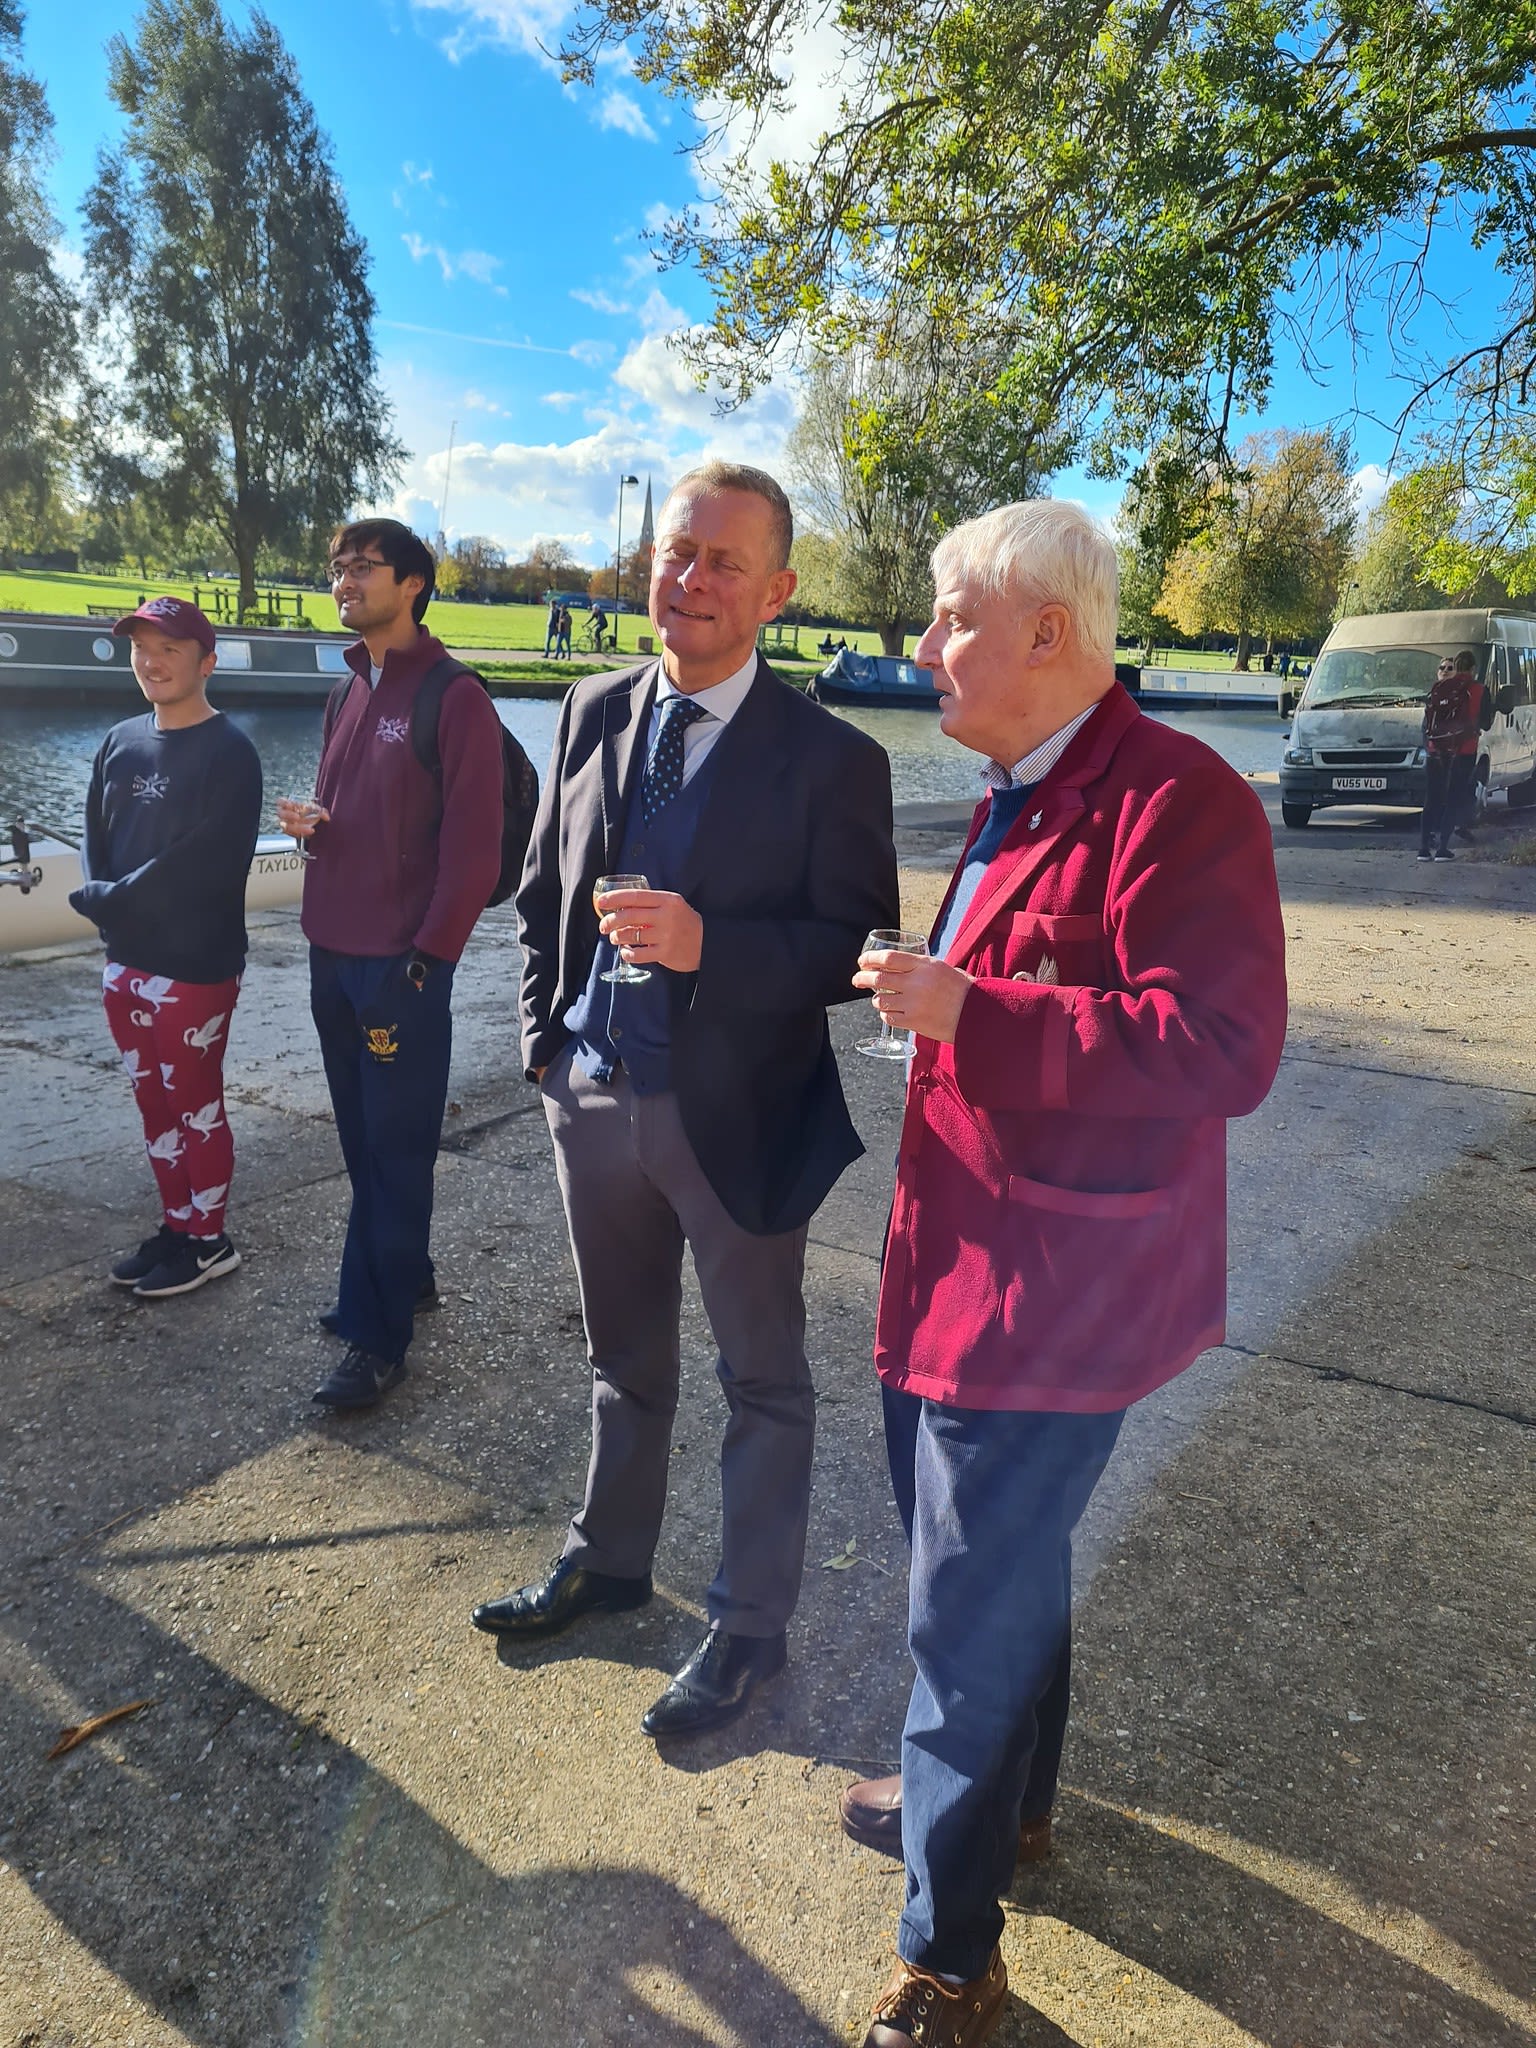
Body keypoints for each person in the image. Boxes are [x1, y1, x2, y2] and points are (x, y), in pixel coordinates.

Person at [842, 501, 1287, 2047]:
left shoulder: (1181, 797)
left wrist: (976, 1012)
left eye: (951, 616)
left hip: (1053, 1297)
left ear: (1051, 631)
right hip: (951, 1258)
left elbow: (1226, 1050)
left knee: (962, 1609)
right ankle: (1006, 1801)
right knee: (984, 1573)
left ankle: (949, 1958)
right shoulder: (1012, 788)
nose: (922, 646)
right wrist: (944, 999)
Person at [471, 460, 899, 1738]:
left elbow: (854, 947)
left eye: (723, 561)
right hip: (593, 1097)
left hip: (740, 1116)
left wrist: (714, 944)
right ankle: (609, 1560)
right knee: (621, 1355)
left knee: (764, 1377)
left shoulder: (834, 758)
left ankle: (751, 1627)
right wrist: (546, 1048)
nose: (691, 579)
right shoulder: (593, 706)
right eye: (676, 551)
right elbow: (542, 890)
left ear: (778, 589)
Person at [277, 520, 504, 1411]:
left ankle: (378, 1340)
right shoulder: (346, 691)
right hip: (330, 950)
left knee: (395, 1149)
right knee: (359, 1140)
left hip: (399, 968)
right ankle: (401, 1276)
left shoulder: (456, 698)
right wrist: (316, 826)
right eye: (338, 567)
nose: (344, 581)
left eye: (363, 567)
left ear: (413, 584)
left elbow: (474, 856)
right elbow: (361, 811)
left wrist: (428, 962)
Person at [69, 597, 262, 1298]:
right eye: (141, 648)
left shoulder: (230, 753)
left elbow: (204, 859)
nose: (152, 662)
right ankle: (175, 1224)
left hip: (193, 964)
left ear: (206, 664)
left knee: (195, 1103)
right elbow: (96, 833)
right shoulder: (119, 740)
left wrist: (115, 900)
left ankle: (210, 1240)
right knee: (153, 1104)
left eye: (170, 650)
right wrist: (103, 901)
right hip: (126, 958)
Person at [1418, 649, 1486, 862]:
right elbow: (1486, 721)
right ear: (1473, 669)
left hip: (1435, 750)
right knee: (1453, 798)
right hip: (1463, 750)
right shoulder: (1479, 689)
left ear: (1456, 667)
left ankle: (1422, 849)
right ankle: (1443, 849)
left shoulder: (1439, 687)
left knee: (1432, 798)